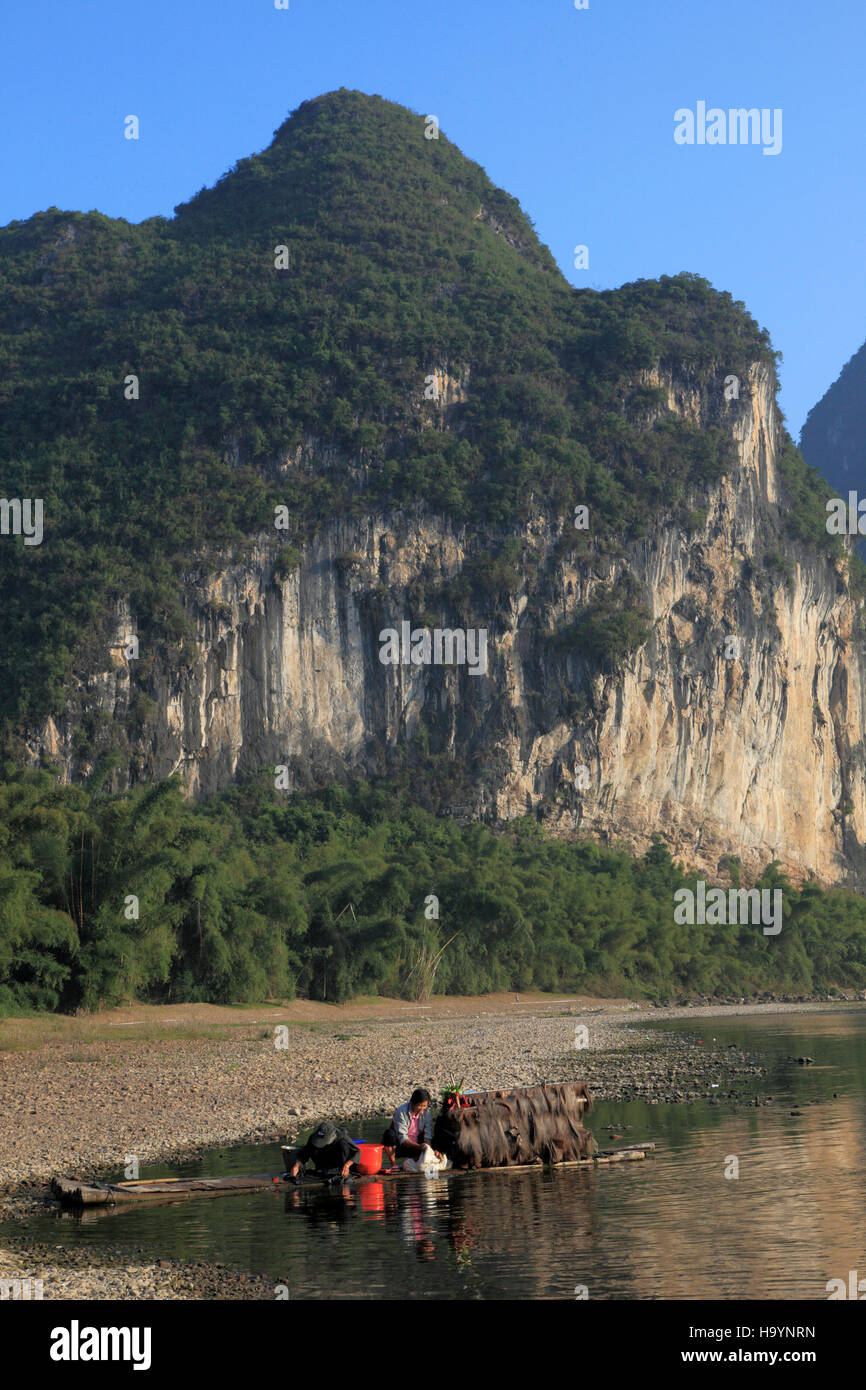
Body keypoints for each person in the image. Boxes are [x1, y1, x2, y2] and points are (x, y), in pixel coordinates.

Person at [383, 1088, 443, 1164]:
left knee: (437, 1138)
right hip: (401, 1146)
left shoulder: (426, 1112)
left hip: (417, 1145)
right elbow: (403, 1139)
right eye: (419, 1105)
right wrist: (420, 1146)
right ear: (413, 1103)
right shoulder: (401, 1112)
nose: (422, 1109)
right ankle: (393, 1164)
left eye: (424, 1106)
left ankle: (416, 1160)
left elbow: (427, 1135)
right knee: (389, 1134)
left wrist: (429, 1149)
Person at [287, 1122, 360, 1182]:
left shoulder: (342, 1136)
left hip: (339, 1163)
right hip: (323, 1163)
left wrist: (347, 1165)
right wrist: (296, 1165)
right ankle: (322, 1170)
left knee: (344, 1145)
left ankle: (338, 1170)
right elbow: (305, 1154)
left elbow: (357, 1151)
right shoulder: (314, 1137)